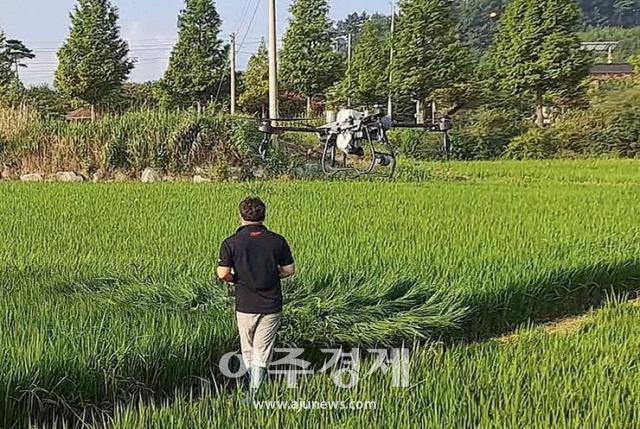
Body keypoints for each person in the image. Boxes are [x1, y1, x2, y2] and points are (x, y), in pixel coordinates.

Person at [217, 197, 296, 389]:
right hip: (271, 305)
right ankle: (256, 390)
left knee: (248, 347)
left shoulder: (231, 243)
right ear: (264, 215)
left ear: (240, 216)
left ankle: (252, 389)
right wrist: (272, 274)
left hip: (245, 304)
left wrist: (235, 279)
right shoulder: (277, 240)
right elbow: (289, 270)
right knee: (263, 349)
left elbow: (223, 273)